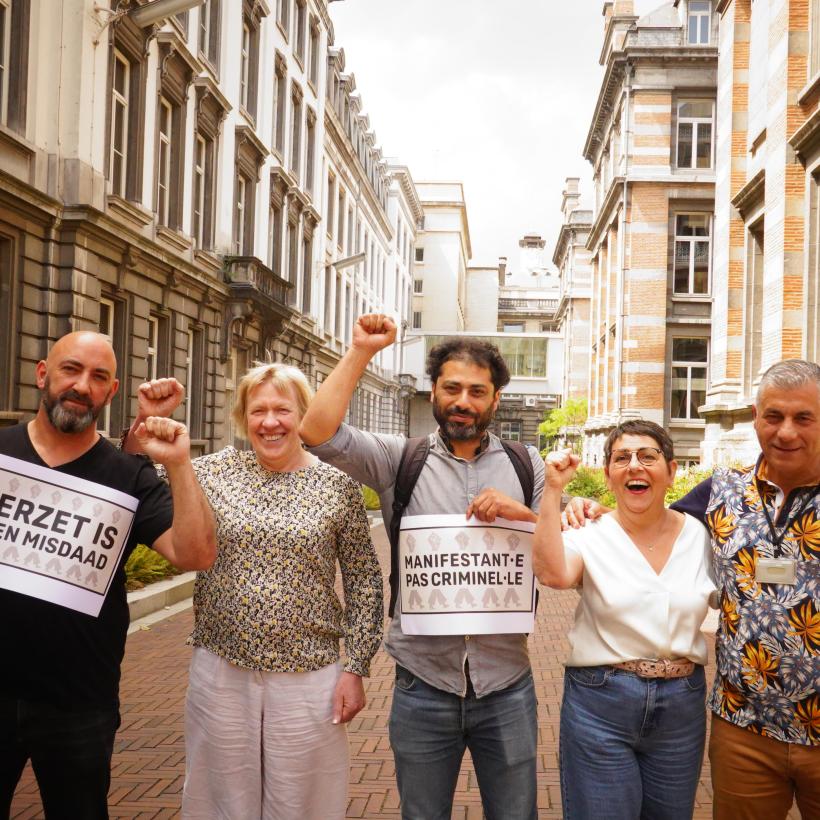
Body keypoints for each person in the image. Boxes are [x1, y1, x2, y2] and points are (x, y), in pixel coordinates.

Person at [299, 314, 545, 820]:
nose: (463, 401)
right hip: (422, 684)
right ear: (433, 391)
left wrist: (525, 515)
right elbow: (316, 433)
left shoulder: (528, 465)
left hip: (506, 682)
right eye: (452, 388)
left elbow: (557, 553)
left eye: (478, 391)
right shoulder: (399, 459)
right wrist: (361, 351)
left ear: (496, 399)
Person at [565, 359, 820, 820]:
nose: (785, 432)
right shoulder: (723, 490)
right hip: (745, 729)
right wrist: (578, 507)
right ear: (756, 416)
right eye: (773, 416)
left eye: (803, 418)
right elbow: (645, 518)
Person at [128, 363, 383, 820]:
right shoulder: (207, 471)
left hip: (310, 675)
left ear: (302, 414)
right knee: (220, 800)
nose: (270, 422)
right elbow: (133, 473)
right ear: (243, 417)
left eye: (283, 410)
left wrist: (356, 667)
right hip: (222, 669)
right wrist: (147, 418)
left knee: (303, 803)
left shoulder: (337, 486)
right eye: (258, 410)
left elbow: (364, 581)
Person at [0, 331, 216, 820]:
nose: (82, 386)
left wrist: (179, 465)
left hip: (79, 703)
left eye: (98, 377)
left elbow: (196, 553)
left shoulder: (129, 475)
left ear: (111, 391)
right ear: (42, 374)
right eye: (70, 370)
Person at [534, 420, 715, 819]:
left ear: (671, 472)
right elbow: (553, 574)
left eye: (648, 457)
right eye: (622, 458)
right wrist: (554, 492)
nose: (635, 465)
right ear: (608, 475)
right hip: (601, 703)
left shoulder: (701, 537)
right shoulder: (589, 533)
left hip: (681, 709)